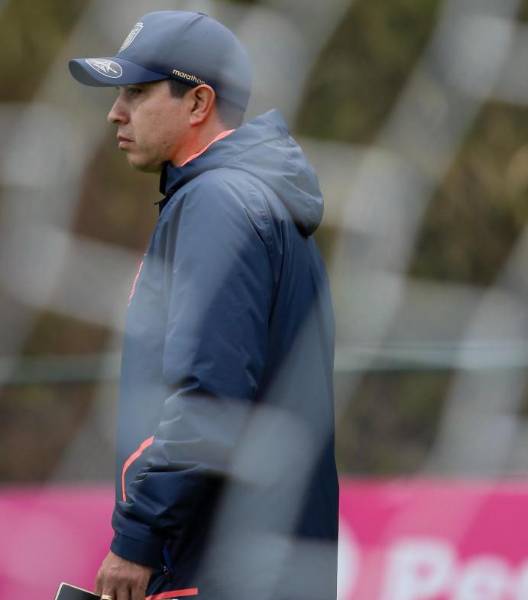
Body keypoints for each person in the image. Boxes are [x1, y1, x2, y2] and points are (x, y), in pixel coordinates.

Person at [68, 10, 338, 600]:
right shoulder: (250, 198)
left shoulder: (217, 202)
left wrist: (138, 537)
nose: (116, 111)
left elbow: (209, 394)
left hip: (216, 565)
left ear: (197, 103)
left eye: (137, 93)